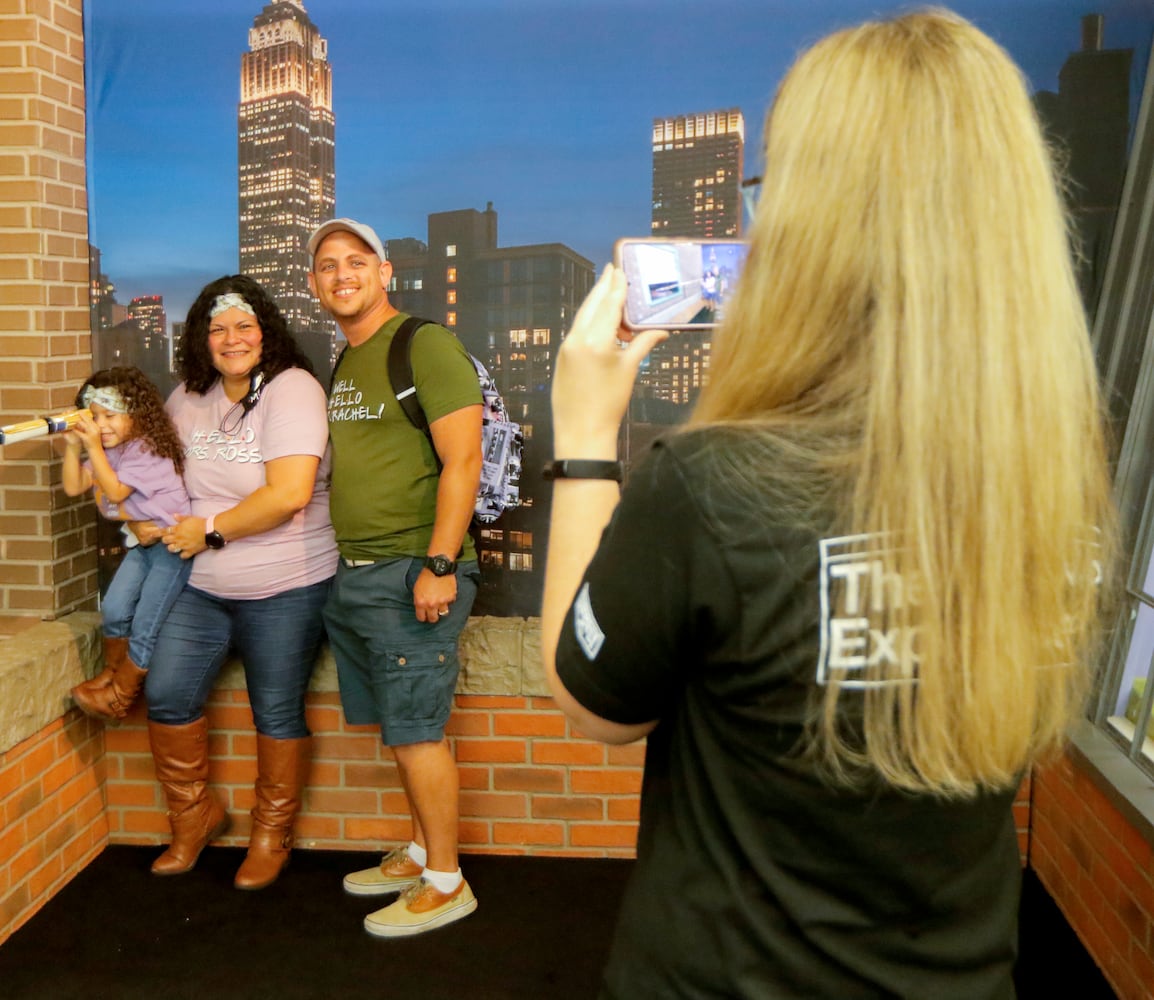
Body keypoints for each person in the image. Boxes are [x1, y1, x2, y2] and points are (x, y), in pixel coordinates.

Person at [541, 10, 1115, 999]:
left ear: (810, 225)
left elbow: (593, 707)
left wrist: (585, 439)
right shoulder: (1048, 482)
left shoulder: (713, 482)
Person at [307, 218, 483, 937]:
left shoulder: (424, 344)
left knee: (417, 733)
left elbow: (463, 460)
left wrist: (440, 564)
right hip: (360, 575)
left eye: (356, 261)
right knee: (401, 730)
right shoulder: (348, 361)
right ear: (315, 286)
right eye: (326, 265)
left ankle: (447, 880)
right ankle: (419, 852)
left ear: (385, 273)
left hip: (415, 568)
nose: (341, 274)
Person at [141, 274, 337, 890]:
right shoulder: (187, 396)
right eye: (217, 328)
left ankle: (271, 834)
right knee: (168, 693)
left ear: (265, 332)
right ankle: (193, 816)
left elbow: (289, 494)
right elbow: (159, 477)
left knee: (275, 710)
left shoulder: (292, 389)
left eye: (244, 326)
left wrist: (211, 530)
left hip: (288, 580)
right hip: (202, 584)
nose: (231, 339)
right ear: (201, 338)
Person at [61, 366, 191, 722]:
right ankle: (111, 673)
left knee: (146, 619)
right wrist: (74, 448)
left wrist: (92, 447)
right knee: (116, 608)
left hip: (172, 547)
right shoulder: (109, 451)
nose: (102, 426)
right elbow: (75, 487)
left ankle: (121, 694)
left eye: (111, 416)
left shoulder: (147, 449)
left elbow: (116, 491)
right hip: (143, 544)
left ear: (137, 414)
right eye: (94, 417)